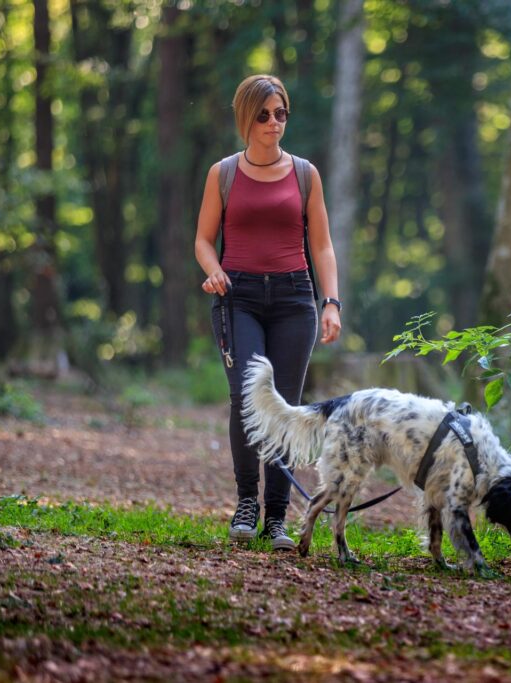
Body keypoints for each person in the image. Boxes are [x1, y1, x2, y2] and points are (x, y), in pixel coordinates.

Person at [194, 74, 342, 550]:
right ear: (245, 118)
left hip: (295, 299)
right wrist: (214, 269)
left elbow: (321, 245)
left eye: (281, 114)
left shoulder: (305, 173)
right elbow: (202, 239)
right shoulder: (223, 173)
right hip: (238, 298)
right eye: (264, 115)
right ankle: (246, 502)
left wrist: (331, 303)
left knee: (282, 405)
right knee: (245, 397)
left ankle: (277, 517)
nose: (274, 123)